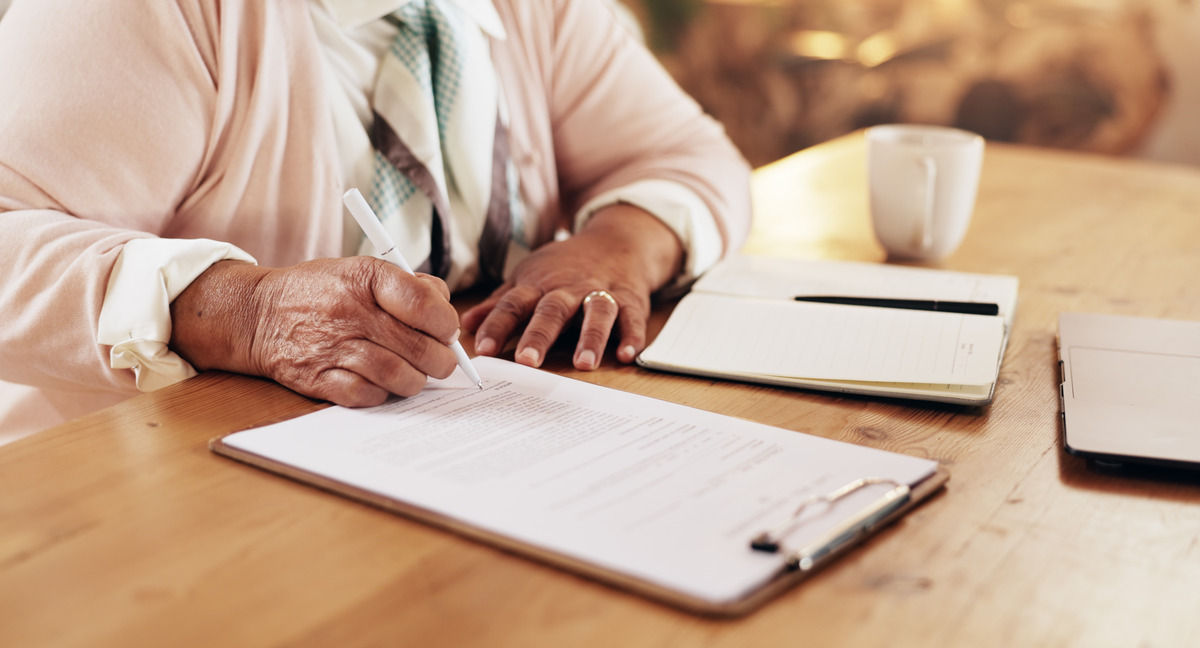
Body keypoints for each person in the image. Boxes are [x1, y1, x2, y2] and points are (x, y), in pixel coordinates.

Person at [0, 0, 751, 445]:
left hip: (460, 463)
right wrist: (243, 310)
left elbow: (689, 152)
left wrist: (617, 246)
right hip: (129, 501)